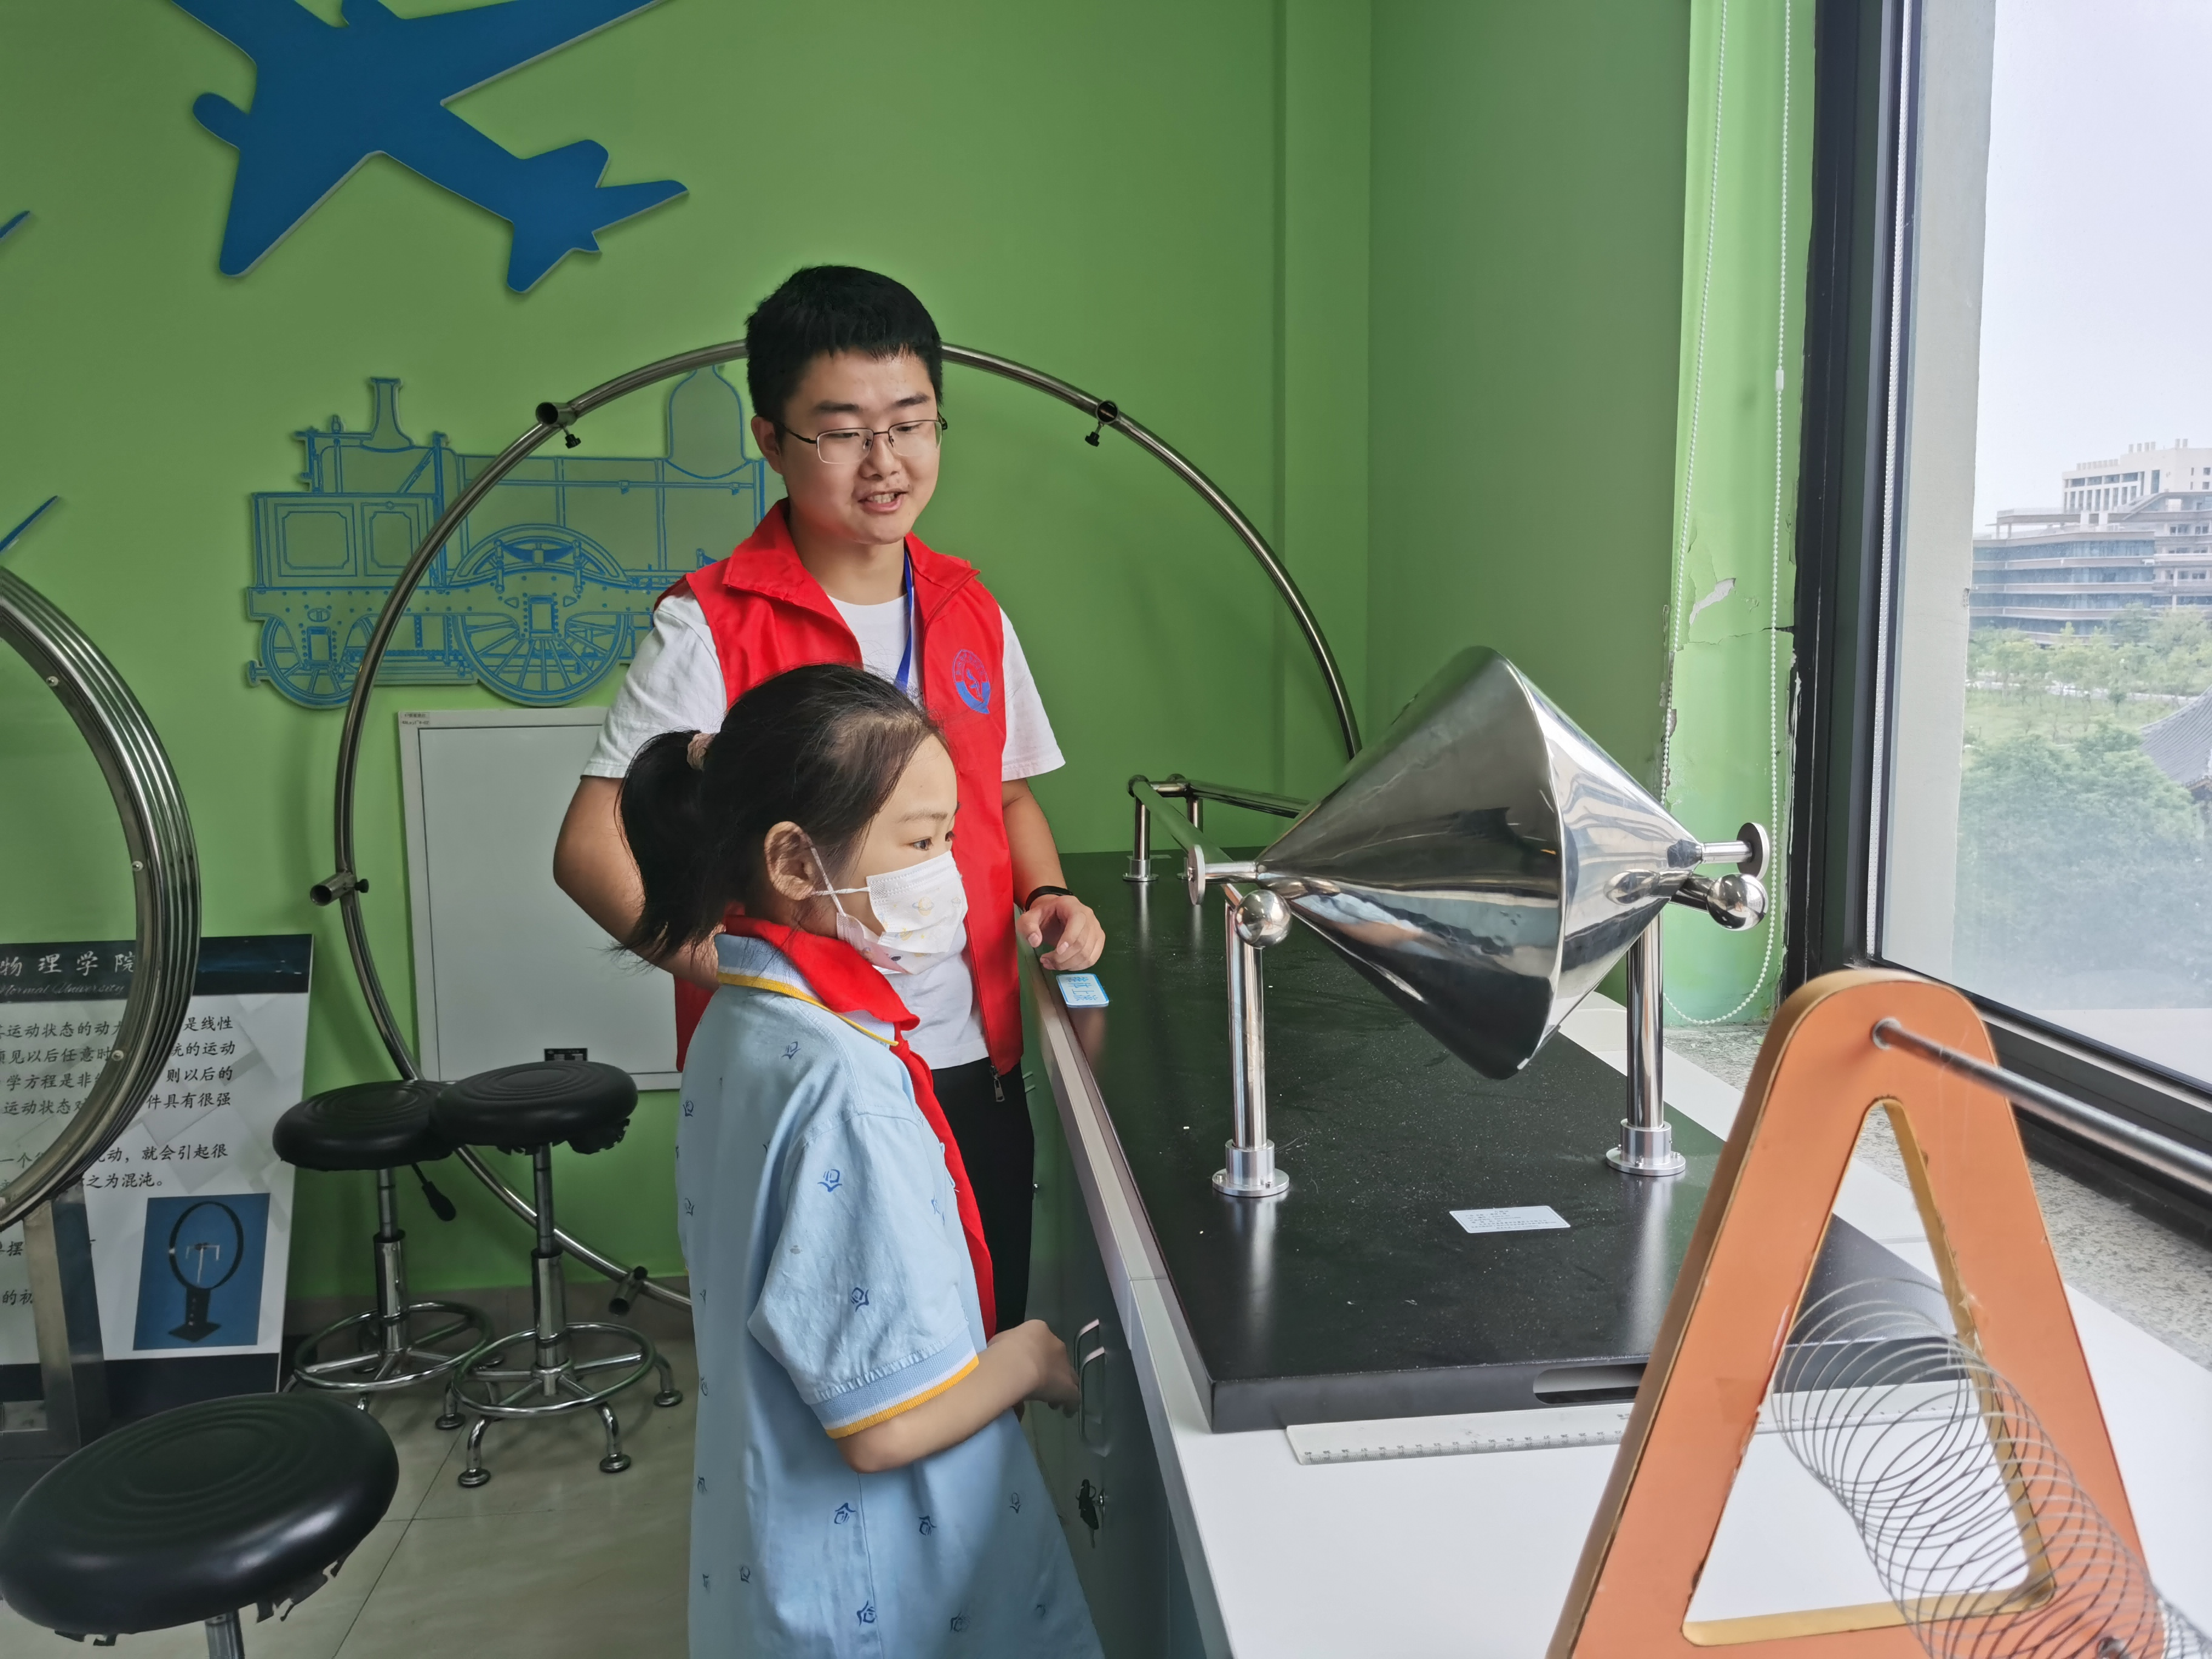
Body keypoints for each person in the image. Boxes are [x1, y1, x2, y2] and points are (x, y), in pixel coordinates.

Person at [556, 264, 1101, 1335]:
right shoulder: (711, 623)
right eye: (843, 431)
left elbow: (1007, 799)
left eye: (912, 423)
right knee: (829, 1370)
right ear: (771, 439)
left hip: (967, 1064)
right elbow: (589, 849)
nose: (885, 461)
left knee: (977, 1337)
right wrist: (754, 986)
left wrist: (1048, 897)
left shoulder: (968, 609)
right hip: (806, 1078)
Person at [622, 663, 1102, 1657]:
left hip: (779, 1562)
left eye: (950, 839)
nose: (947, 873)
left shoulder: (742, 1022)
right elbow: (883, 1427)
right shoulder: (845, 1086)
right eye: (920, 844)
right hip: (881, 1596)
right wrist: (1027, 1355)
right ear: (794, 861)